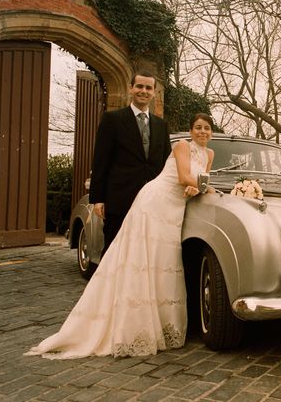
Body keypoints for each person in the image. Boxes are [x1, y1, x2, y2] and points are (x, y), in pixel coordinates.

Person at [25, 114, 215, 359]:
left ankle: (159, 323)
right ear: (191, 130)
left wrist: (197, 187)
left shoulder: (209, 155)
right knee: (141, 260)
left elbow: (200, 180)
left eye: (206, 128)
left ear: (210, 132)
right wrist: (200, 185)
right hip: (156, 202)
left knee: (162, 262)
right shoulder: (181, 146)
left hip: (175, 209)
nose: (202, 132)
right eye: (198, 127)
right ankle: (133, 325)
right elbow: (183, 177)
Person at [89, 70, 172, 257]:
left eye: (148, 88)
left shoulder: (161, 125)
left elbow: (167, 165)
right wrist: (98, 199)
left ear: (154, 92)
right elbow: (101, 159)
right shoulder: (112, 120)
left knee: (145, 251)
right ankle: (108, 286)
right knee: (114, 249)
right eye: (139, 86)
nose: (144, 91)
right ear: (131, 89)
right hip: (119, 198)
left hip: (152, 200)